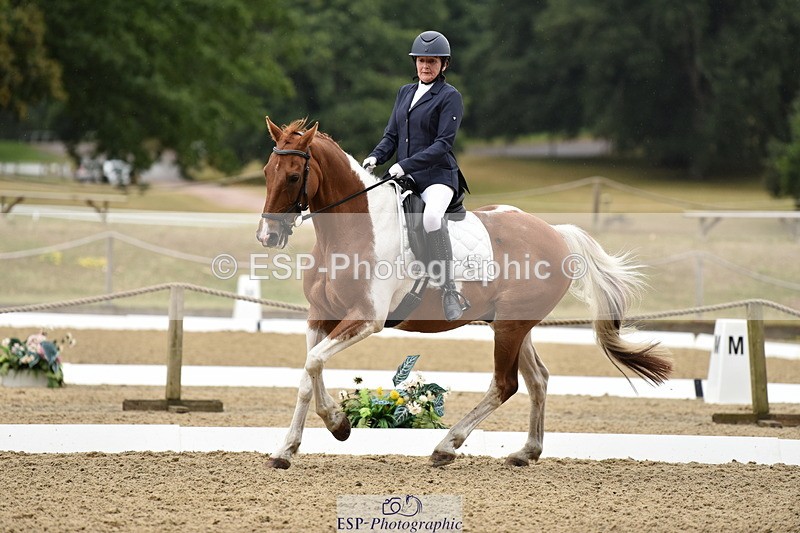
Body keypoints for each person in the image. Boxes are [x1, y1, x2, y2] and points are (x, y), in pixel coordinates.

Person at [363, 30, 470, 322]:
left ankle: (449, 290)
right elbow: (392, 135)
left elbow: (442, 145)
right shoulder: (405, 93)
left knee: (431, 219)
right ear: (415, 62)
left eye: (432, 62)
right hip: (406, 177)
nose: (426, 67)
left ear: (443, 65)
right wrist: (375, 157)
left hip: (438, 177)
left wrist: (405, 164)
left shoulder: (450, 97)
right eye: (421, 61)